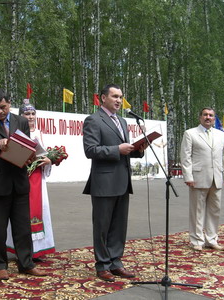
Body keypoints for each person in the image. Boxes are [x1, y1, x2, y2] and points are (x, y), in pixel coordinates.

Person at [0, 88, 46, 280]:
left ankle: (26, 263)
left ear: (9, 103)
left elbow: (27, 145)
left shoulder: (21, 121)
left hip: (20, 179)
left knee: (23, 227)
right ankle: (0, 265)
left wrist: (32, 154)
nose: (0, 111)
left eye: (3, 107)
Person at [82, 83, 147, 282]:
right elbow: (90, 150)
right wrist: (116, 149)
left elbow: (125, 150)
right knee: (102, 226)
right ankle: (102, 265)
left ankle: (115, 262)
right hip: (103, 182)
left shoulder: (123, 121)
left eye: (120, 97)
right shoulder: (93, 120)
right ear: (103, 98)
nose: (119, 100)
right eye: (114, 96)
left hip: (122, 180)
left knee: (119, 226)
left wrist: (139, 149)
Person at [6, 100, 55, 261]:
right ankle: (21, 249)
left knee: (39, 210)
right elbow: (11, 156)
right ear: (20, 116)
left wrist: (49, 160)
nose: (31, 116)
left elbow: (46, 154)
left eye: (33, 113)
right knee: (20, 213)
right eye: (27, 113)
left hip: (37, 179)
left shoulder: (39, 133)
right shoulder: (15, 133)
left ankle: (37, 250)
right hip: (20, 177)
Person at [180, 107, 224, 251]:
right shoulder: (190, 133)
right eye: (205, 115)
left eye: (211, 115)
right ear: (200, 117)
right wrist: (188, 176)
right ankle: (196, 240)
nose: (208, 117)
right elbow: (186, 157)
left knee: (215, 210)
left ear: (214, 119)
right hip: (198, 178)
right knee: (197, 211)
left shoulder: (221, 135)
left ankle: (211, 239)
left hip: (217, 178)